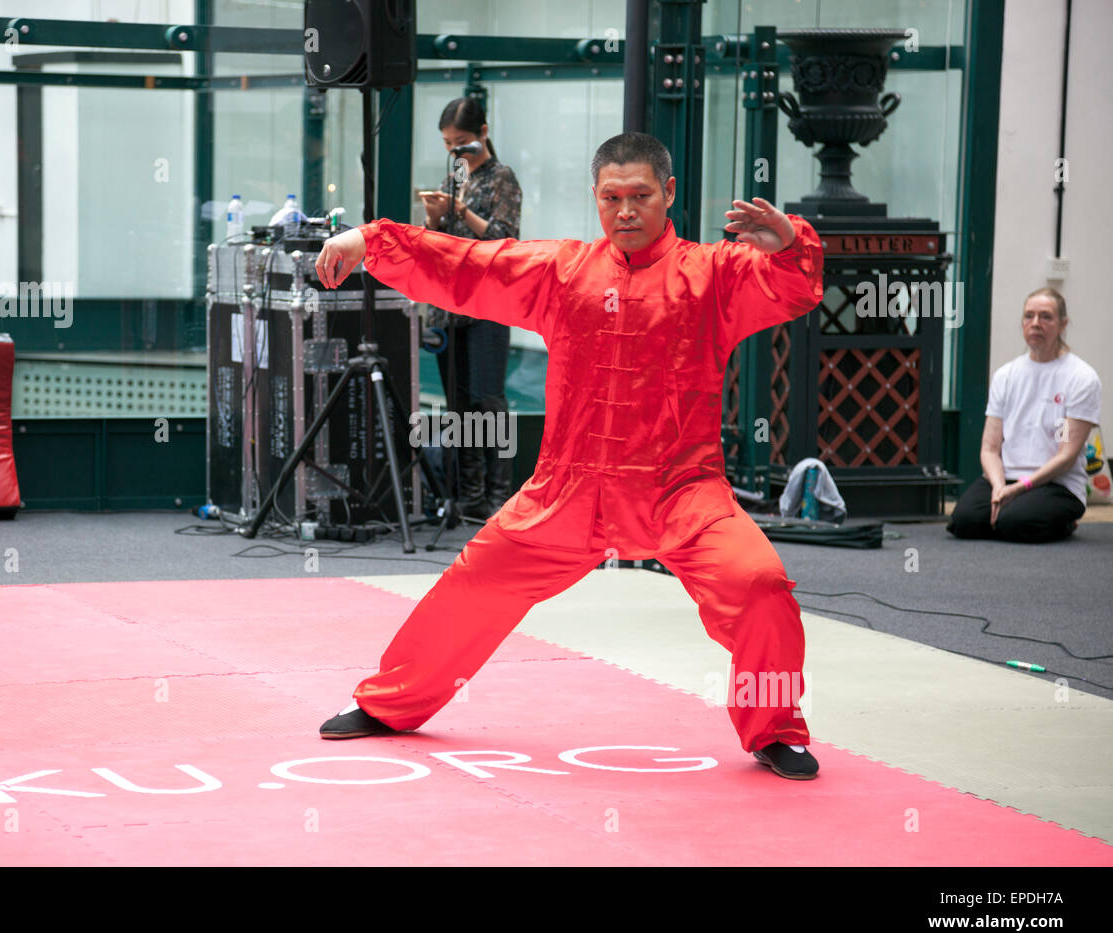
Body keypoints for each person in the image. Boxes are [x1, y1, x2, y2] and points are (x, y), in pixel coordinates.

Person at [314, 132, 825, 781]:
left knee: (760, 585)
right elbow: (472, 264)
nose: (626, 210)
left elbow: (793, 288)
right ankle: (393, 704)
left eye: (640, 195)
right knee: (473, 585)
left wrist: (789, 246)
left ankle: (774, 727)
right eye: (612, 197)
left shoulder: (713, 274)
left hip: (683, 490)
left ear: (668, 194)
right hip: (569, 490)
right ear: (596, 198)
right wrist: (373, 241)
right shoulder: (565, 271)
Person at [419, 97, 522, 519]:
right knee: (458, 403)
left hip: (489, 303)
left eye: (460, 141)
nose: (454, 151)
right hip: (450, 304)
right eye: (447, 143)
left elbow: (503, 238)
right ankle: (470, 494)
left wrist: (460, 210)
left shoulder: (502, 178)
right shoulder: (454, 176)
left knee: (488, 399)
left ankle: (500, 497)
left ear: (482, 133)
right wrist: (434, 219)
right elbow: (441, 241)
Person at [947, 287, 1101, 542]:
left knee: (1015, 522)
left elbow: (1066, 456)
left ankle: (1064, 522)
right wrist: (998, 487)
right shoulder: (1006, 375)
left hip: (1057, 484)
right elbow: (990, 448)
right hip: (1006, 477)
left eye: (1046, 317)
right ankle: (1010, 510)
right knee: (964, 521)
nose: (1036, 324)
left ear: (1063, 324)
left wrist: (1021, 488)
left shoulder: (1082, 378)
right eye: (1029, 316)